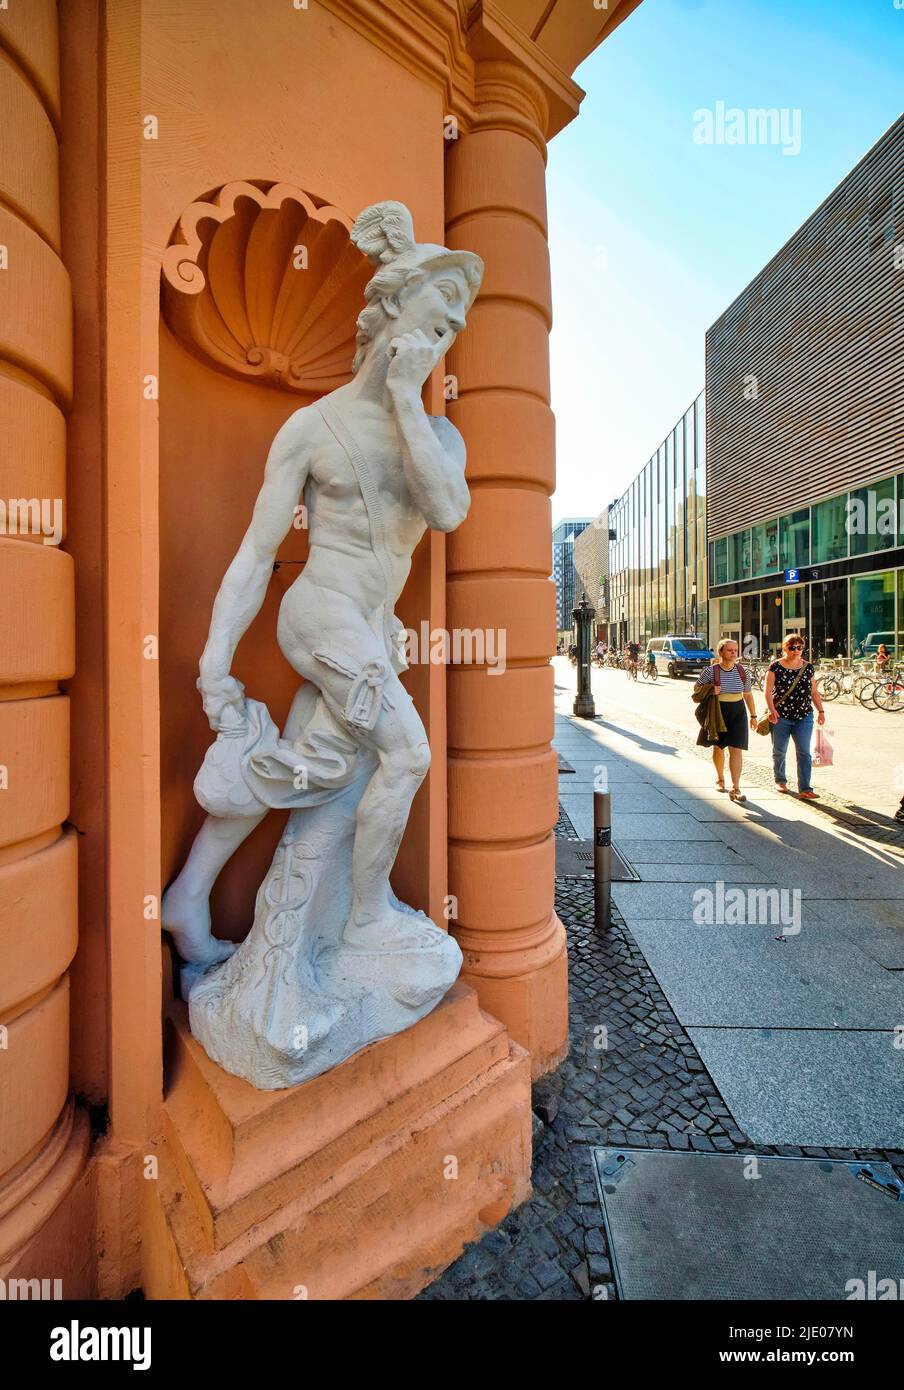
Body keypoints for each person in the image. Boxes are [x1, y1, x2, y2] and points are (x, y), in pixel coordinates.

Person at [695, 638, 757, 803]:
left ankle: (736, 787)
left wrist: (753, 716)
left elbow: (748, 695)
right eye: (730, 650)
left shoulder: (743, 671)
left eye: (735, 650)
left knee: (737, 749)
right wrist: (711, 689)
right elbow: (696, 689)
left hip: (738, 712)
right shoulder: (711, 671)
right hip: (718, 712)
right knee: (718, 747)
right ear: (720, 652)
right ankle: (720, 778)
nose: (734, 653)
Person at [764, 635, 825, 799]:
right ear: (785, 648)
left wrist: (821, 711)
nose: (796, 651)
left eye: (800, 647)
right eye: (792, 647)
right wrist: (771, 710)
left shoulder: (808, 667)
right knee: (779, 750)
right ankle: (780, 780)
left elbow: (814, 691)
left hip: (804, 716)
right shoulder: (775, 666)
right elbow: (768, 690)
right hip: (781, 715)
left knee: (804, 752)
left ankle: (805, 788)